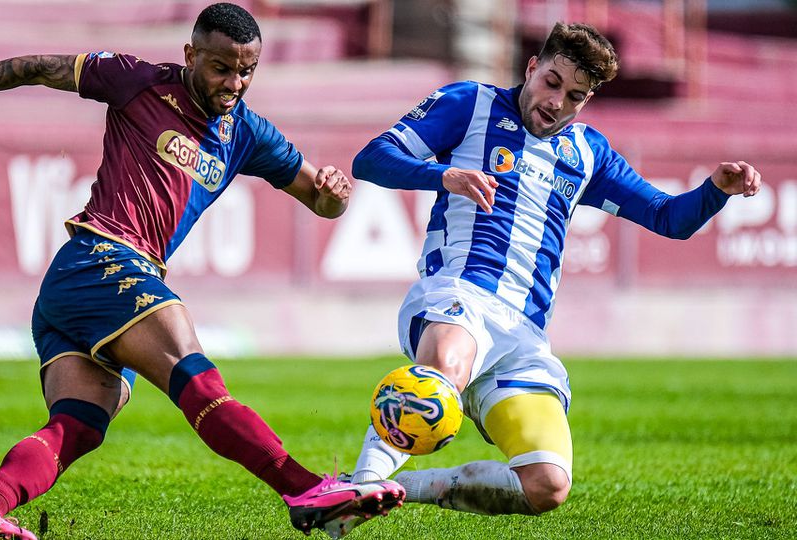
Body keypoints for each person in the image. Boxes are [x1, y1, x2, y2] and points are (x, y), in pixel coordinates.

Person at [0, 3, 405, 538]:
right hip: (106, 259)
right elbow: (33, 67)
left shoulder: (247, 133)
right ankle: (304, 488)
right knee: (199, 380)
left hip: (75, 290)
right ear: (190, 54)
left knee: (78, 426)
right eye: (221, 68)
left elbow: (320, 199)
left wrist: (335, 194)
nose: (235, 82)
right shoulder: (135, 81)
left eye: (247, 71)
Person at [322, 21, 761, 538]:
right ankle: (353, 495)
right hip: (459, 294)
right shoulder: (470, 104)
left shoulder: (588, 153)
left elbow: (670, 219)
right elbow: (371, 159)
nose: (557, 102)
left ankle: (392, 488)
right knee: (444, 367)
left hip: (523, 337)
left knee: (546, 485)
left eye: (576, 96)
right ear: (532, 67)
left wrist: (716, 189)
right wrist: (444, 176)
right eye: (552, 83)